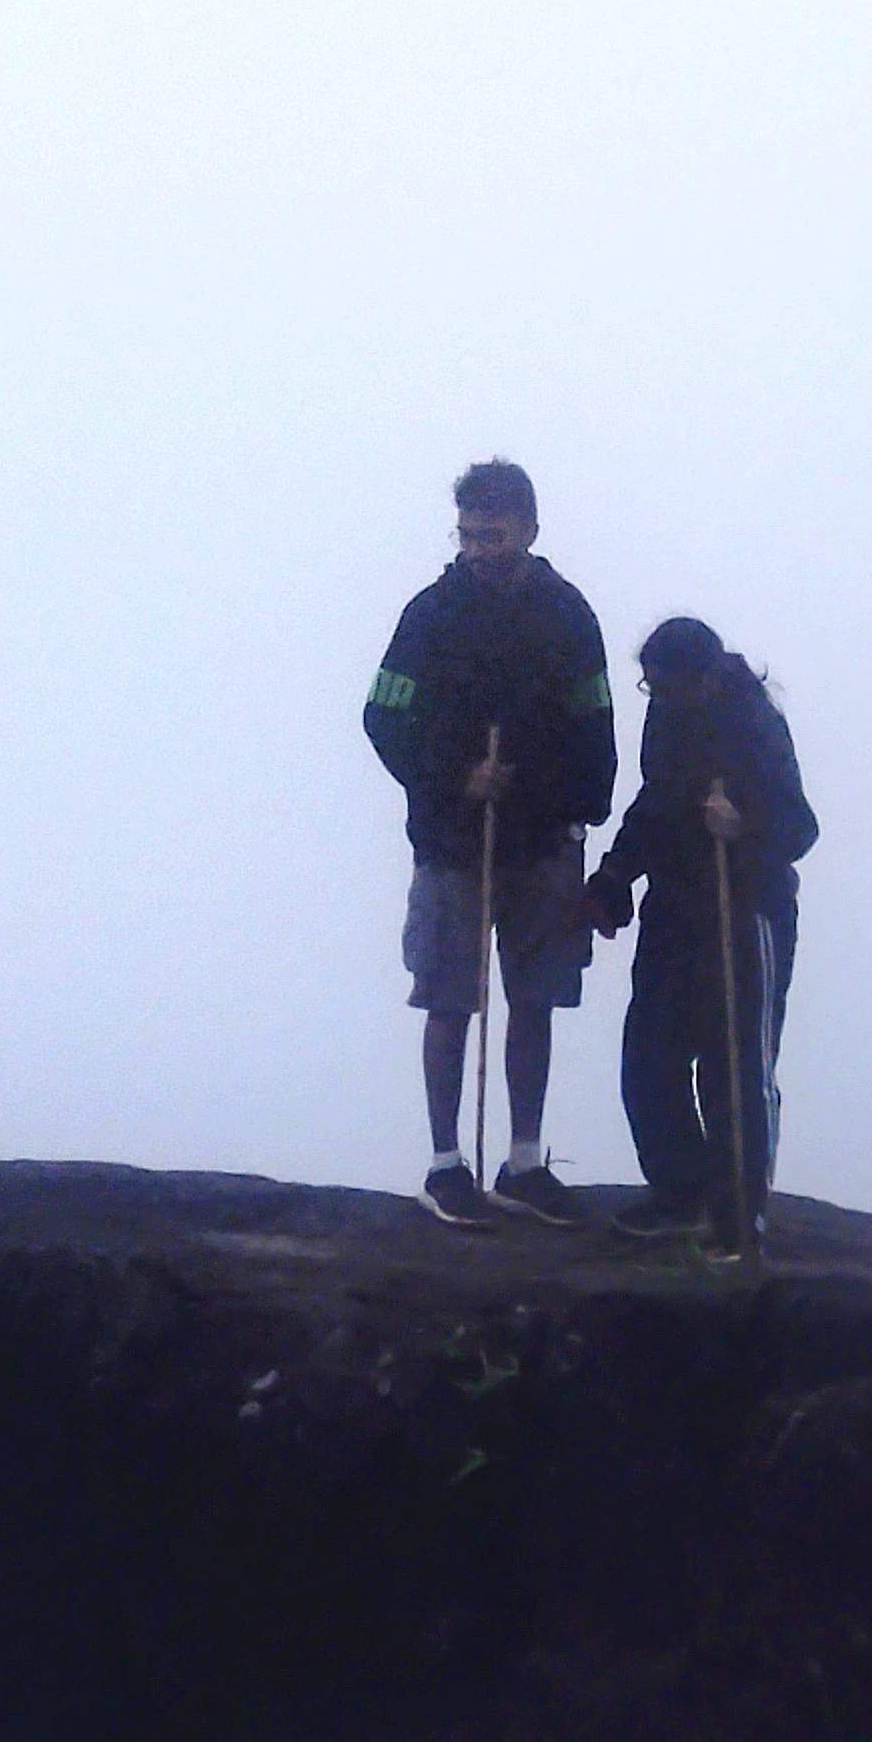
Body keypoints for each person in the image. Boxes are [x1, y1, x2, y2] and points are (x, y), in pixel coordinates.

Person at [364, 458, 617, 1226]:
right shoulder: (428, 615)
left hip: (541, 841)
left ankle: (523, 1160)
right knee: (449, 997)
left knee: (533, 998)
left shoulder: (568, 615)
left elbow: (594, 720)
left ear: (530, 529)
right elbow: (382, 714)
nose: (476, 548)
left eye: (492, 533)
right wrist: (452, 779)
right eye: (467, 533)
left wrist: (580, 808)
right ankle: (447, 1163)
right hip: (451, 841)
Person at [586, 614, 817, 1252]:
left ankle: (740, 1212)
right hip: (676, 908)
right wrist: (615, 874)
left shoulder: (756, 725)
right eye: (649, 689)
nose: (656, 700)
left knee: (736, 1065)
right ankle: (679, 1193)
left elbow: (799, 829)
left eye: (666, 688)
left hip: (748, 912)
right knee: (650, 1058)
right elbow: (656, 801)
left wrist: (741, 826)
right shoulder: (668, 716)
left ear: (704, 677)